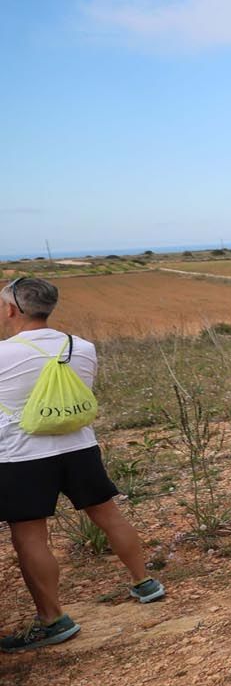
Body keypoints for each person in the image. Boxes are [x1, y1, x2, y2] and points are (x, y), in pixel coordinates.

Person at [0, 278, 162, 652]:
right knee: (108, 514)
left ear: (13, 309)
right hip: (79, 446)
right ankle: (144, 582)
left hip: (21, 455)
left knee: (29, 537)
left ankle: (52, 618)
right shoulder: (81, 347)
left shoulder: (4, 353)